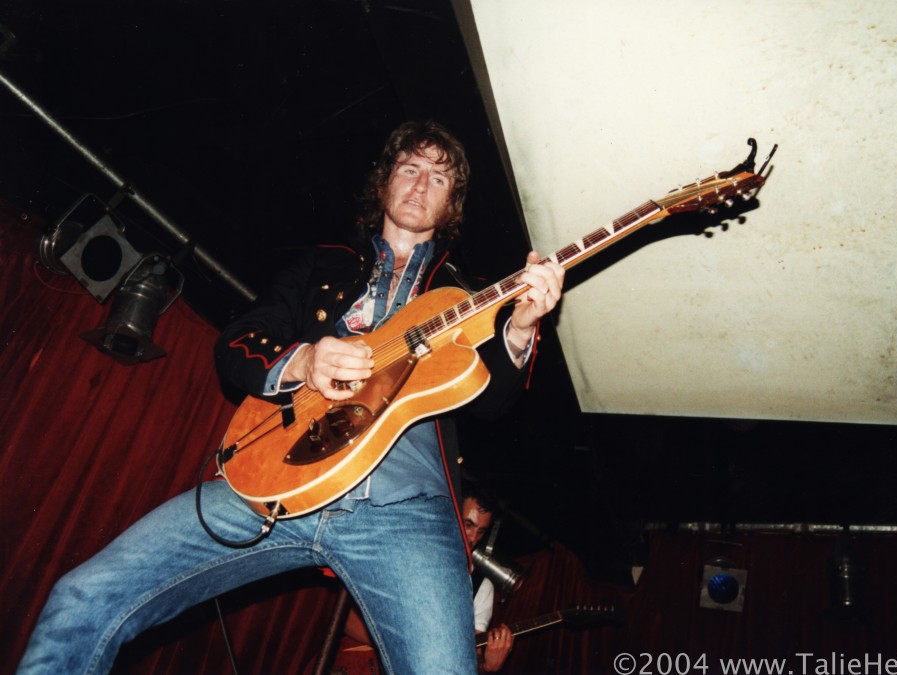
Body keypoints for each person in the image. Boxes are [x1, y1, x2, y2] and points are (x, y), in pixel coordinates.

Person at [17, 120, 564, 675]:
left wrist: (519, 331)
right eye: (410, 169)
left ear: (452, 206)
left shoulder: (464, 297)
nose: (422, 185)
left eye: (440, 178)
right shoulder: (322, 267)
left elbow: (491, 403)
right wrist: (303, 360)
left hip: (404, 513)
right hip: (273, 487)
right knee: (84, 596)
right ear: (384, 183)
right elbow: (237, 344)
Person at [341, 486, 516, 672]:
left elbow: (469, 660)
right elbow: (344, 617)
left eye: (481, 531)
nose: (473, 537)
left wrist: (488, 667)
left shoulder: (481, 586)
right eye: (468, 524)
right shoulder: (408, 552)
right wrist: (398, 645)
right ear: (451, 514)